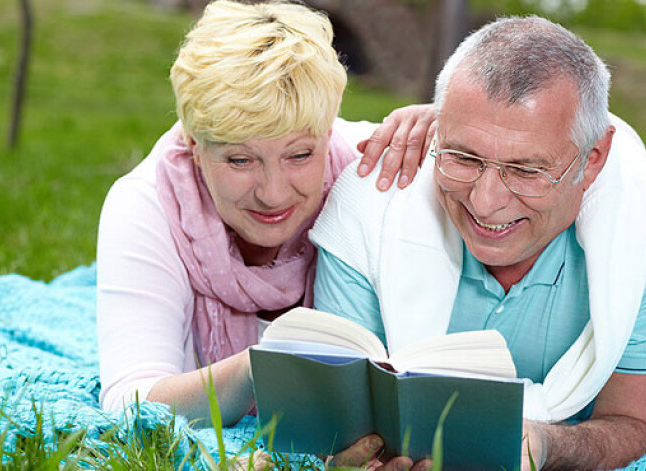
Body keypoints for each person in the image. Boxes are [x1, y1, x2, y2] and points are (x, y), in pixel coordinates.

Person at [312, 16, 646, 471]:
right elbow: (340, 415)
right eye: (463, 158)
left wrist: (544, 448)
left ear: (593, 161)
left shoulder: (634, 236)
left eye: (527, 171)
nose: (486, 204)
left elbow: (632, 421)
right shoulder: (371, 207)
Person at [96, 0, 434, 427]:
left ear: (329, 132)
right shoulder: (146, 206)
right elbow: (131, 404)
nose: (273, 194)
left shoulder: (371, 165)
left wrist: (451, 128)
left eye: (300, 155)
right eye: (240, 160)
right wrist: (264, 367)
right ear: (195, 147)